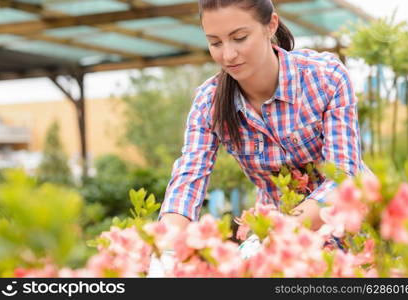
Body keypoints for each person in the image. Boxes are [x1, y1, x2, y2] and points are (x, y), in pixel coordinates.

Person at [158, 0, 372, 244]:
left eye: (239, 37)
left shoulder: (324, 78)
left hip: (352, 227)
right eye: (215, 42)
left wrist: (278, 233)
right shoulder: (209, 103)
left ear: (271, 25)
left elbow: (343, 177)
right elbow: (187, 181)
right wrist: (166, 246)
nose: (228, 55)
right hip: (280, 240)